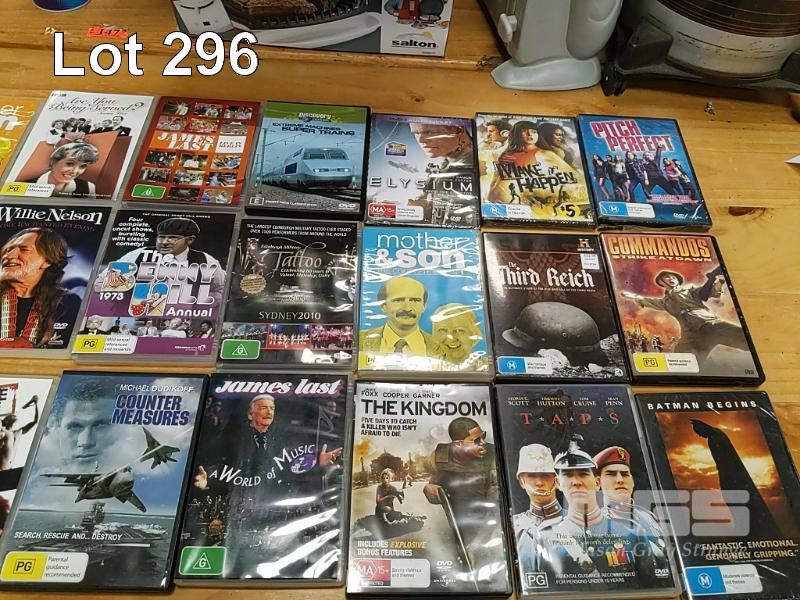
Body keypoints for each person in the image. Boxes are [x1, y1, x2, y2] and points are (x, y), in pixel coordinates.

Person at [423, 417, 500, 588]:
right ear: (458, 444)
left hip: (489, 513)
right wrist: (430, 488)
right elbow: (434, 483)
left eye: (483, 437)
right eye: (476, 440)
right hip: (460, 513)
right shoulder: (441, 455)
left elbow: (496, 495)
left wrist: (478, 540)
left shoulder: (493, 455)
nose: (483, 443)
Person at [622, 267, 750, 364]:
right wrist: (633, 296)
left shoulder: (689, 289)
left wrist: (717, 280)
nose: (671, 279)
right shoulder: (665, 302)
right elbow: (647, 301)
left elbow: (707, 293)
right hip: (690, 334)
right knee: (682, 363)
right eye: (667, 277)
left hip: (708, 323)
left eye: (673, 277)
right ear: (661, 282)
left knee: (744, 339)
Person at [99, 217, 225, 303]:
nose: (164, 242)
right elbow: (100, 283)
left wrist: (196, 303)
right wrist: (126, 299)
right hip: (136, 316)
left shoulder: (204, 260)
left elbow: (222, 290)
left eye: (173, 238)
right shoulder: (139, 254)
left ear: (190, 240)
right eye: (161, 237)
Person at [594, 446, 671, 574]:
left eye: (625, 474)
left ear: (633, 481)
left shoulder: (649, 517)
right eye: (611, 474)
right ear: (598, 482)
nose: (620, 480)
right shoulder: (597, 525)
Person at [0, 227, 80, 348]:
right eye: (8, 250)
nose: (9, 255)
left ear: (47, 261)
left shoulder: (68, 303)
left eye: (24, 249)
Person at [358, 276, 438, 358]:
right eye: (399, 300)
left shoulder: (441, 348)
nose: (407, 308)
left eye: (415, 301)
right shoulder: (358, 340)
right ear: (383, 306)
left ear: (424, 306)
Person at [512, 444, 562, 539]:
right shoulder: (513, 525)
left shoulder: (575, 521)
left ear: (556, 480)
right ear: (521, 482)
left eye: (545, 475)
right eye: (531, 476)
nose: (539, 483)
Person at [26, 141, 98, 198]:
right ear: (53, 162)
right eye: (70, 163)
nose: (75, 171)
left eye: (83, 166)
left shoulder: (88, 188)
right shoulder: (26, 185)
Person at [429, 303, 485, 369]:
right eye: (443, 330)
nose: (451, 339)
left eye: (459, 330)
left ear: (474, 333)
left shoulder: (488, 367)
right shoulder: (427, 367)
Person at [0, 394, 39, 470]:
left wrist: (36, 404)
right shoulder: (3, 431)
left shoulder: (18, 433)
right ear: (6, 421)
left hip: (10, 469)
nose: (14, 415)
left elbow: (35, 421)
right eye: (11, 415)